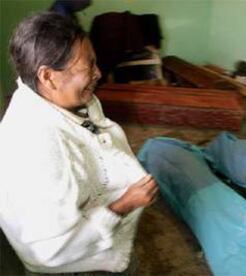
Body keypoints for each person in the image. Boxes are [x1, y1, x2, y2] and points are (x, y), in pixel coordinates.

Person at [0, 12, 158, 274]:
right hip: (74, 267)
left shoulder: (56, 100)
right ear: (48, 76)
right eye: (88, 66)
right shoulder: (35, 146)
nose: (98, 73)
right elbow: (52, 250)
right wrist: (124, 204)